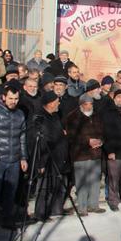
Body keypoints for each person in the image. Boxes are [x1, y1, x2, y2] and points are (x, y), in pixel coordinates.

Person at [0, 86, 28, 236]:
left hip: (14, 160)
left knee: (11, 192)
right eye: (10, 98)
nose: (13, 102)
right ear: (3, 97)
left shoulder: (20, 114)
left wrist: (23, 157)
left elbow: (22, 137)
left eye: (16, 99)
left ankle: (7, 220)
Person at [31, 91, 70, 221]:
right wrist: (40, 162)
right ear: (50, 103)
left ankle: (55, 209)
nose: (59, 103)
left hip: (59, 156)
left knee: (57, 185)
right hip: (47, 158)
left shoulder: (54, 116)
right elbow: (40, 141)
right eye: (57, 101)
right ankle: (40, 213)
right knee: (44, 188)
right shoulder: (41, 118)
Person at [65, 94, 105, 216]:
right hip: (80, 154)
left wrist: (100, 141)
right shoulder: (72, 117)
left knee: (94, 181)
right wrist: (88, 141)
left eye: (91, 104)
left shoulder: (97, 116)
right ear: (81, 104)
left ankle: (93, 205)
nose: (89, 106)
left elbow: (103, 131)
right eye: (86, 104)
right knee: (82, 182)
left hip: (95, 153)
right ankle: (82, 208)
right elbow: (72, 135)